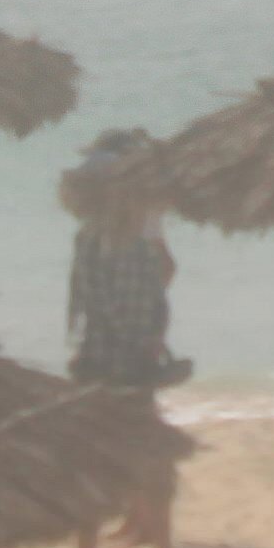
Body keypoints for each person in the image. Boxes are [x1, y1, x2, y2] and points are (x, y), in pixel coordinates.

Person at [62, 134, 185, 392]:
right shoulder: (111, 242)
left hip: (114, 353)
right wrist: (148, 339)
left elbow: (90, 297)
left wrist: (154, 335)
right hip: (120, 356)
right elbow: (107, 302)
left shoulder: (106, 239)